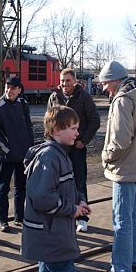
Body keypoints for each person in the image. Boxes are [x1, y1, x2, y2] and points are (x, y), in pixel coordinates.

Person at [5, 106, 90, 272]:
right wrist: (71, 209)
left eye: (77, 127)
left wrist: (79, 202)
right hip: (48, 230)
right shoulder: (50, 156)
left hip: (53, 228)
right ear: (55, 130)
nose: (77, 132)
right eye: (72, 128)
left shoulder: (60, 154)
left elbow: (65, 188)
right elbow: (42, 197)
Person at [94, 61, 136, 272]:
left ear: (116, 80)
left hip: (125, 169)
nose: (103, 89)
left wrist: (106, 157)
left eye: (105, 83)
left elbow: (120, 141)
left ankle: (120, 269)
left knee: (122, 221)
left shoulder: (122, 100)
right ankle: (133, 263)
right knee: (134, 217)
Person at [47, 68, 100, 232]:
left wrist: (83, 141)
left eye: (68, 80)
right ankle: (64, 214)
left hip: (76, 148)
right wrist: (50, 142)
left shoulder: (84, 97)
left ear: (75, 81)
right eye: (62, 80)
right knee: (58, 182)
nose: (64, 84)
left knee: (79, 181)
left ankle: (82, 218)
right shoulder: (54, 97)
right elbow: (48, 121)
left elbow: (95, 120)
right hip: (58, 148)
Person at [0, 76, 34, 233]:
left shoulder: (23, 105)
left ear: (19, 90)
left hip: (23, 154)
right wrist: (6, 149)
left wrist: (30, 148)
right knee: (3, 187)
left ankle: (19, 217)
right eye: (7, 87)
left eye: (13, 88)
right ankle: (2, 220)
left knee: (21, 186)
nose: (9, 90)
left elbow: (29, 127)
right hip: (7, 156)